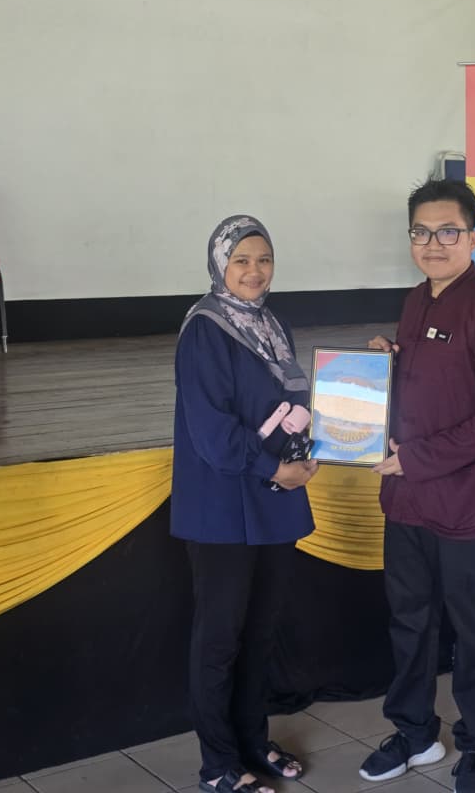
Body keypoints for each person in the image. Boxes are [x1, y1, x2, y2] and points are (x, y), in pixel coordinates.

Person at [359, 179, 475, 793]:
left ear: (473, 237)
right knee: (409, 622)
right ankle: (415, 733)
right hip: (407, 502)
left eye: (448, 231)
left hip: (465, 504)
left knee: (473, 627)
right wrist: (388, 363)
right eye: (422, 232)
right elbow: (435, 386)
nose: (433, 243)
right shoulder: (416, 301)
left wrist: (421, 459)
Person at [171, 214, 318, 793]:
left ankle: (253, 743)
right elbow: (211, 432)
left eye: (264, 259)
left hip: (273, 499)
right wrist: (274, 466)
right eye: (241, 261)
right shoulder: (205, 329)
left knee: (259, 633)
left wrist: (308, 450)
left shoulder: (272, 323)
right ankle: (219, 764)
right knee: (219, 640)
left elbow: (288, 404)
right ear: (219, 265)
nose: (254, 271)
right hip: (223, 507)